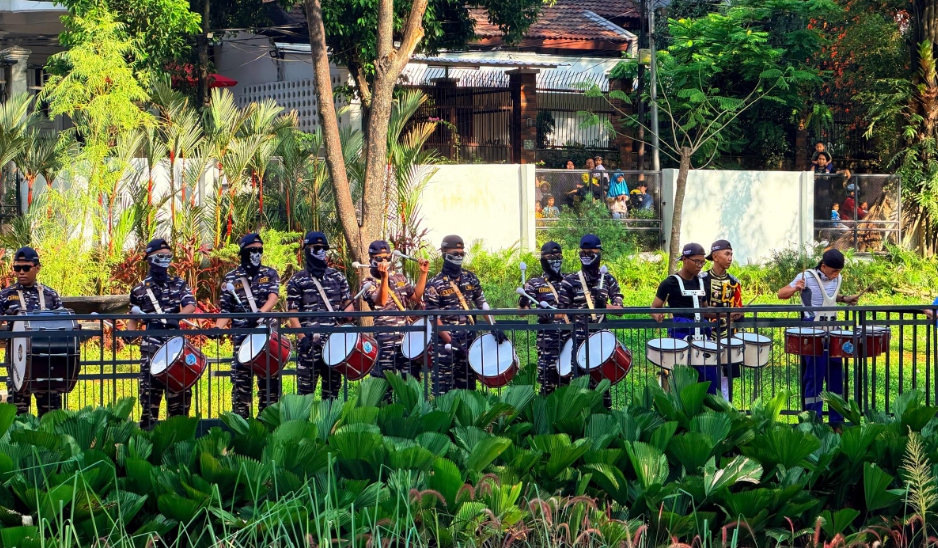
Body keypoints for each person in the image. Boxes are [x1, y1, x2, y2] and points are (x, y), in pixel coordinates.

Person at [776, 249, 860, 425]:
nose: (836, 275)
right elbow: (780, 293)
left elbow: (830, 297)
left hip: (833, 328)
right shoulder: (807, 276)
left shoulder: (837, 278)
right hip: (812, 328)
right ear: (823, 266)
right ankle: (814, 420)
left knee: (836, 374)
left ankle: (837, 421)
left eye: (839, 271)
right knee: (815, 374)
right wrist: (795, 288)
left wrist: (845, 299)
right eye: (833, 271)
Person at [127, 239, 197, 429]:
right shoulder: (139, 289)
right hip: (151, 348)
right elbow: (133, 317)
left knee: (180, 400)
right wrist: (129, 334)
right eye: (160, 256)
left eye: (168, 256)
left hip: (176, 348)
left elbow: (190, 305)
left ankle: (178, 440)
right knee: (149, 400)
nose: (165, 260)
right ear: (150, 259)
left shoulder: (178, 283)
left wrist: (177, 318)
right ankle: (148, 440)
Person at [215, 233, 281, 418]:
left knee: (269, 389)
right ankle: (241, 429)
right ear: (243, 253)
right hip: (243, 340)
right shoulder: (231, 278)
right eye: (253, 250)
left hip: (266, 338)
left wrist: (260, 312)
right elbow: (226, 310)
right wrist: (217, 329)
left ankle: (267, 427)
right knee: (241, 388)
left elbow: (273, 297)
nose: (257, 254)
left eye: (260, 250)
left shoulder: (270, 273)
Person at [424, 235, 501, 395]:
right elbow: (433, 318)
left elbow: (482, 304)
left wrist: (494, 327)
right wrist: (450, 341)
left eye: (461, 254)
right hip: (445, 346)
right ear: (445, 254)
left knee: (468, 390)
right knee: (443, 390)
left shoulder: (470, 278)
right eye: (455, 254)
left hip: (468, 343)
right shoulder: (434, 283)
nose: (459, 257)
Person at [286, 232, 354, 400]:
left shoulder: (337, 277)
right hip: (309, 344)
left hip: (334, 345)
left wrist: (347, 314)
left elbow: (349, 308)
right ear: (307, 250)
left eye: (324, 248)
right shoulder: (297, 280)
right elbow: (292, 314)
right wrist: (302, 338)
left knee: (331, 394)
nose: (321, 252)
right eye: (317, 248)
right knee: (304, 396)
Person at [558, 234, 624, 407]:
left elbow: (620, 311)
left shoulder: (608, 279)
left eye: (591, 252)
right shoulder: (570, 281)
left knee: (602, 392)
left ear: (599, 253)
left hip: (602, 343)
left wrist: (604, 305)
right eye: (583, 252)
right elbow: (560, 313)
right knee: (580, 390)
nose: (586, 255)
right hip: (579, 342)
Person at [0, 247, 64, 416]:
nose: (21, 272)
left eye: (26, 268)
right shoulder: (5, 295)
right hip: (17, 363)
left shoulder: (51, 295)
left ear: (37, 268)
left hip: (47, 364)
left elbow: (63, 325)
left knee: (50, 417)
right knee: (18, 417)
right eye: (17, 268)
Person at [650, 243, 720, 394]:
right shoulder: (670, 283)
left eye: (702, 262)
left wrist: (724, 314)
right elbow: (654, 307)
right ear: (685, 259)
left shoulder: (701, 282)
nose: (700, 265)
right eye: (697, 261)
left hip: (702, 338)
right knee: (681, 382)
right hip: (681, 336)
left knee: (708, 380)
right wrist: (657, 315)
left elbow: (705, 309)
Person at [360, 240, 429, 384]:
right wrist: (384, 277)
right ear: (371, 259)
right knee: (384, 383)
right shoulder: (368, 283)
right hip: (385, 341)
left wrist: (423, 273)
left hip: (406, 340)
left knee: (409, 383)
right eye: (380, 258)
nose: (384, 261)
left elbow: (416, 296)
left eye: (387, 257)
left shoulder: (399, 278)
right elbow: (381, 301)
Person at [520, 241, 569, 396]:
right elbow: (523, 312)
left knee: (569, 383)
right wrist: (523, 302)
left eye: (558, 256)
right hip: (549, 341)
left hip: (571, 338)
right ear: (542, 259)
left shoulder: (570, 280)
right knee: (548, 382)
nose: (555, 260)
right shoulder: (535, 283)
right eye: (550, 257)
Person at [700, 240, 743, 398]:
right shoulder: (702, 280)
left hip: (728, 334)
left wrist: (739, 315)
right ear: (715, 256)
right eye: (727, 254)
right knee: (706, 373)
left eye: (731, 254)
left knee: (726, 375)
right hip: (707, 334)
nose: (730, 258)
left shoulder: (734, 281)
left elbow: (739, 306)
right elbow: (699, 309)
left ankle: (726, 406)